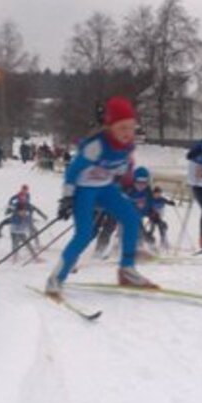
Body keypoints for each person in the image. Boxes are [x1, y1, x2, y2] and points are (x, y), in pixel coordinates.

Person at [46, 96, 156, 295]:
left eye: (131, 127)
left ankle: (127, 270)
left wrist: (123, 182)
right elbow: (72, 171)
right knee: (84, 234)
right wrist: (67, 199)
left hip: (106, 188)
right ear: (109, 127)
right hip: (84, 189)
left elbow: (120, 169)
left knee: (131, 218)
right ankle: (56, 279)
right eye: (122, 128)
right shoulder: (95, 146)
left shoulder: (128, 145)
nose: (127, 133)